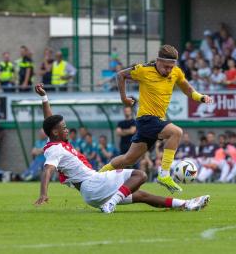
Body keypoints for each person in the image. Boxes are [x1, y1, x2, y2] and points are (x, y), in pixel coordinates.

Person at [33, 83, 210, 213]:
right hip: (93, 184)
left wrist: (44, 98)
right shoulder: (55, 149)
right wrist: (43, 193)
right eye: (64, 128)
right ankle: (111, 203)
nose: (67, 130)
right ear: (56, 133)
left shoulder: (55, 141)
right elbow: (48, 170)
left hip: (92, 194)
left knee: (142, 196)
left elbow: (50, 122)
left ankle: (187, 204)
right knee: (139, 175)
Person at [98, 45, 213, 193]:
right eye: (166, 66)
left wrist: (201, 97)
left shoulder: (176, 72)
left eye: (171, 67)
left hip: (155, 120)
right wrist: (124, 99)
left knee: (129, 159)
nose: (169, 70)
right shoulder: (144, 70)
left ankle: (98, 175)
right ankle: (164, 174)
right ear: (158, 61)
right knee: (176, 132)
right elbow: (120, 75)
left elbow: (188, 89)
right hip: (146, 119)